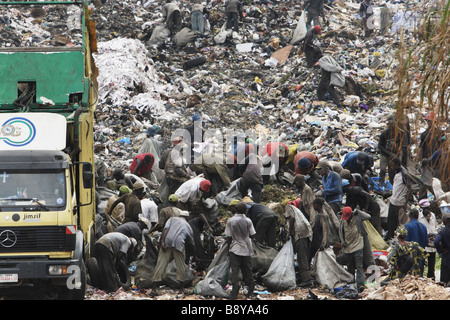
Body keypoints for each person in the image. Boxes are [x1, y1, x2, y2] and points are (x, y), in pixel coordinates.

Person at [151, 213, 196, 293]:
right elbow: (191, 243)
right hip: (179, 244)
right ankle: (181, 289)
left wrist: (163, 241)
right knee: (180, 265)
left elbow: (166, 229)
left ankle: (154, 289)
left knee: (160, 264)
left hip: (167, 242)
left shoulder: (171, 219)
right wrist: (195, 254)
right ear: (187, 217)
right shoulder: (187, 225)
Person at [224, 202, 256, 299]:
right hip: (246, 248)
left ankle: (234, 293)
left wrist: (227, 248)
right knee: (247, 269)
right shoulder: (248, 221)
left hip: (234, 248)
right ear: (244, 210)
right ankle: (250, 290)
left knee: (235, 270)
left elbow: (228, 237)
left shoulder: (230, 221)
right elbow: (253, 235)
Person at [338, 207, 372, 292]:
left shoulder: (357, 217)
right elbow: (340, 231)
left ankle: (360, 285)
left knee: (359, 266)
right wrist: (342, 241)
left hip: (358, 246)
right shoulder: (343, 221)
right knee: (350, 266)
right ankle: (351, 282)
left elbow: (368, 216)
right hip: (348, 247)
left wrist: (359, 211)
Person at [285, 199, 315, 287]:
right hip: (306, 233)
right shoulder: (297, 210)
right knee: (304, 256)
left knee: (301, 257)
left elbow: (292, 218)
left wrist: (289, 233)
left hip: (300, 234)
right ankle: (306, 277)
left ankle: (306, 280)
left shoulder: (288, 207)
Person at [378, 115, 411, 184]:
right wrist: (389, 153)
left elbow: (401, 144)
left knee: (391, 172)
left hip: (394, 155)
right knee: (383, 170)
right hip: (384, 155)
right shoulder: (384, 133)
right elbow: (380, 146)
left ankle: (391, 185)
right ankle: (381, 183)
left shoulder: (399, 133)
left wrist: (397, 154)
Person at [386, 158, 412, 241]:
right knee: (390, 222)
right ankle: (390, 238)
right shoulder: (396, 174)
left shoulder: (404, 175)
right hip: (393, 201)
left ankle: (399, 240)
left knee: (400, 223)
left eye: (393, 165)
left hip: (400, 203)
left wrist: (405, 202)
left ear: (397, 165)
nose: (391, 167)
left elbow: (410, 188)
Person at [309, 197, 340, 263]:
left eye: (314, 204)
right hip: (316, 241)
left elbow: (325, 230)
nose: (313, 206)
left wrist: (323, 244)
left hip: (320, 242)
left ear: (318, 205)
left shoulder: (323, 216)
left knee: (322, 262)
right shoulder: (318, 214)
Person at [418, 199, 438, 280]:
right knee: (422, 262)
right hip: (423, 243)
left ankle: (431, 277)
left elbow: (435, 227)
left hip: (432, 243)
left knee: (432, 262)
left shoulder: (432, 215)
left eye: (427, 208)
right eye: (424, 208)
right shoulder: (419, 217)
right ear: (421, 208)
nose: (426, 210)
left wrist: (434, 235)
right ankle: (421, 277)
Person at [404, 208, 428, 276]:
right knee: (420, 278)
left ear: (409, 216)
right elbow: (426, 242)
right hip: (421, 257)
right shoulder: (423, 227)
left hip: (410, 257)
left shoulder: (407, 226)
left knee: (411, 279)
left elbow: (405, 242)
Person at [434, 213, 450, 286]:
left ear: (444, 222)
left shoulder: (443, 231)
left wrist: (440, 250)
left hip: (447, 256)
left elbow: (436, 241)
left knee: (445, 280)